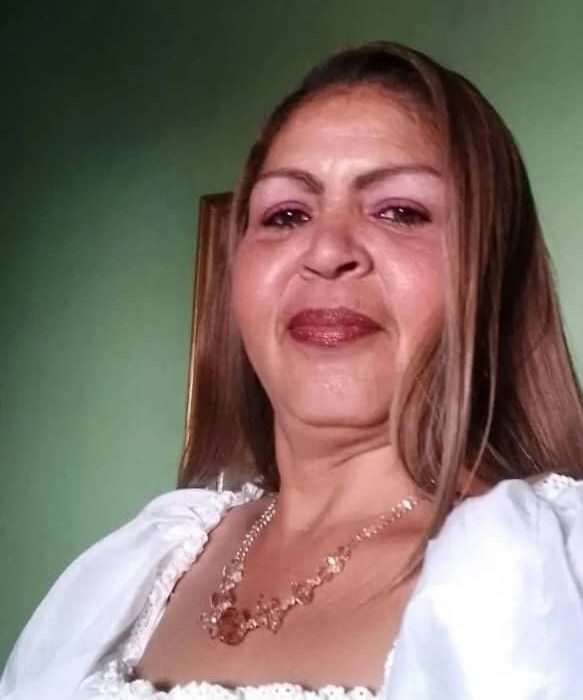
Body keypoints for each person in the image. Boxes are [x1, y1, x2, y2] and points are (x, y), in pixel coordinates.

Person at [2, 40, 583, 700]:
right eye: (286, 215)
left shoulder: (550, 570)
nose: (326, 251)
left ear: (493, 271)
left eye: (399, 211)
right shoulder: (134, 567)